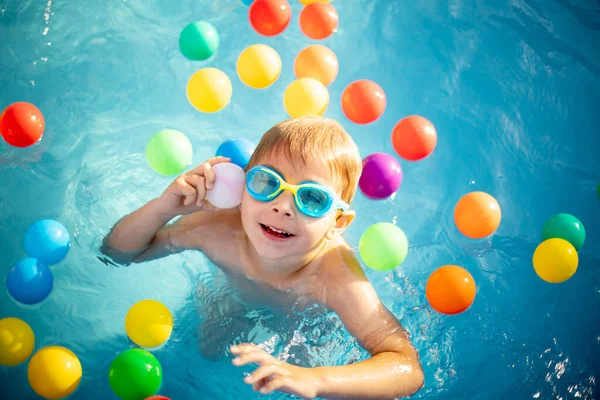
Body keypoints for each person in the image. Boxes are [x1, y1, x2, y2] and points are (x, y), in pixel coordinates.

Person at [101, 116, 424, 399]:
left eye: (311, 198)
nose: (282, 206)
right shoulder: (216, 228)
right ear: (241, 186)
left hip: (300, 325)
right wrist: (162, 208)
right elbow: (119, 253)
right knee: (202, 353)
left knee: (292, 376)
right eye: (267, 182)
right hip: (228, 304)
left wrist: (315, 380)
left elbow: (406, 366)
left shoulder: (335, 275)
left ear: (337, 224)